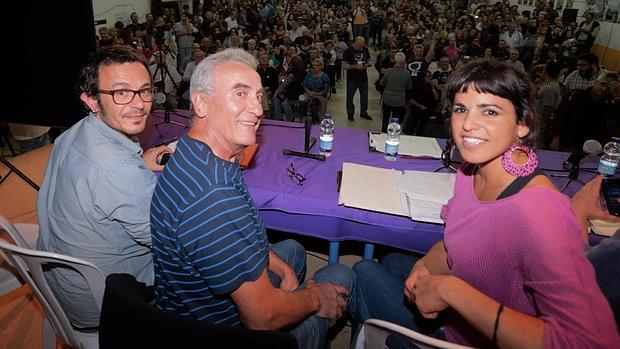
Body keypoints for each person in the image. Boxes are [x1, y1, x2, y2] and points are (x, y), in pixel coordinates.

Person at [350, 59, 619, 348]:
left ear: (523, 125)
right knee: (391, 260)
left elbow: (581, 341)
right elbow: (456, 244)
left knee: (362, 272)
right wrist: (427, 263)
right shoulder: (469, 172)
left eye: (489, 111)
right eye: (460, 109)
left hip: (473, 336)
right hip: (458, 318)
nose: (467, 124)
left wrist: (453, 291)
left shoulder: (541, 211)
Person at [150, 48, 355, 349]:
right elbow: (262, 318)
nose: (258, 109)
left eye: (258, 96)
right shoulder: (214, 198)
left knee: (293, 252)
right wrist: (314, 297)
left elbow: (235, 237)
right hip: (222, 332)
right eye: (240, 94)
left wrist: (281, 268)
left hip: (185, 311)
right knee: (340, 276)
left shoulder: (190, 152)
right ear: (201, 103)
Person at [36, 46, 170, 329]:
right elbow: (173, 242)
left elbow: (101, 182)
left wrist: (139, 162)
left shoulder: (72, 134)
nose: (139, 104)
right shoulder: (118, 170)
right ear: (92, 100)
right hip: (106, 306)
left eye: (145, 90)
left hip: (63, 288)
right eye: (121, 92)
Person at [343, 36, 373, 121]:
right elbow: (344, 65)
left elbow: (370, 60)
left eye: (362, 45)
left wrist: (367, 65)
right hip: (352, 79)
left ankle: (364, 112)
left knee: (364, 97)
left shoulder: (365, 50)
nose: (361, 47)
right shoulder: (348, 51)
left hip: (363, 77)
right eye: (359, 45)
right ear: (355, 42)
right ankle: (350, 113)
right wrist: (355, 66)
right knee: (350, 97)